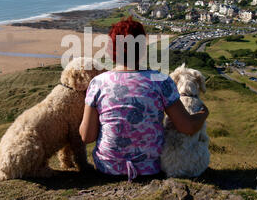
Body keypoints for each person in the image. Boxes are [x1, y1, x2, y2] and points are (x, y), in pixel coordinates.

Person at [79, 17, 209, 181]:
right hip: (151, 169)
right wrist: (204, 112)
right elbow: (188, 127)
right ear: (141, 49)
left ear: (111, 50)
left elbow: (86, 136)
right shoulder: (161, 81)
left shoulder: (97, 83)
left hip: (108, 168)